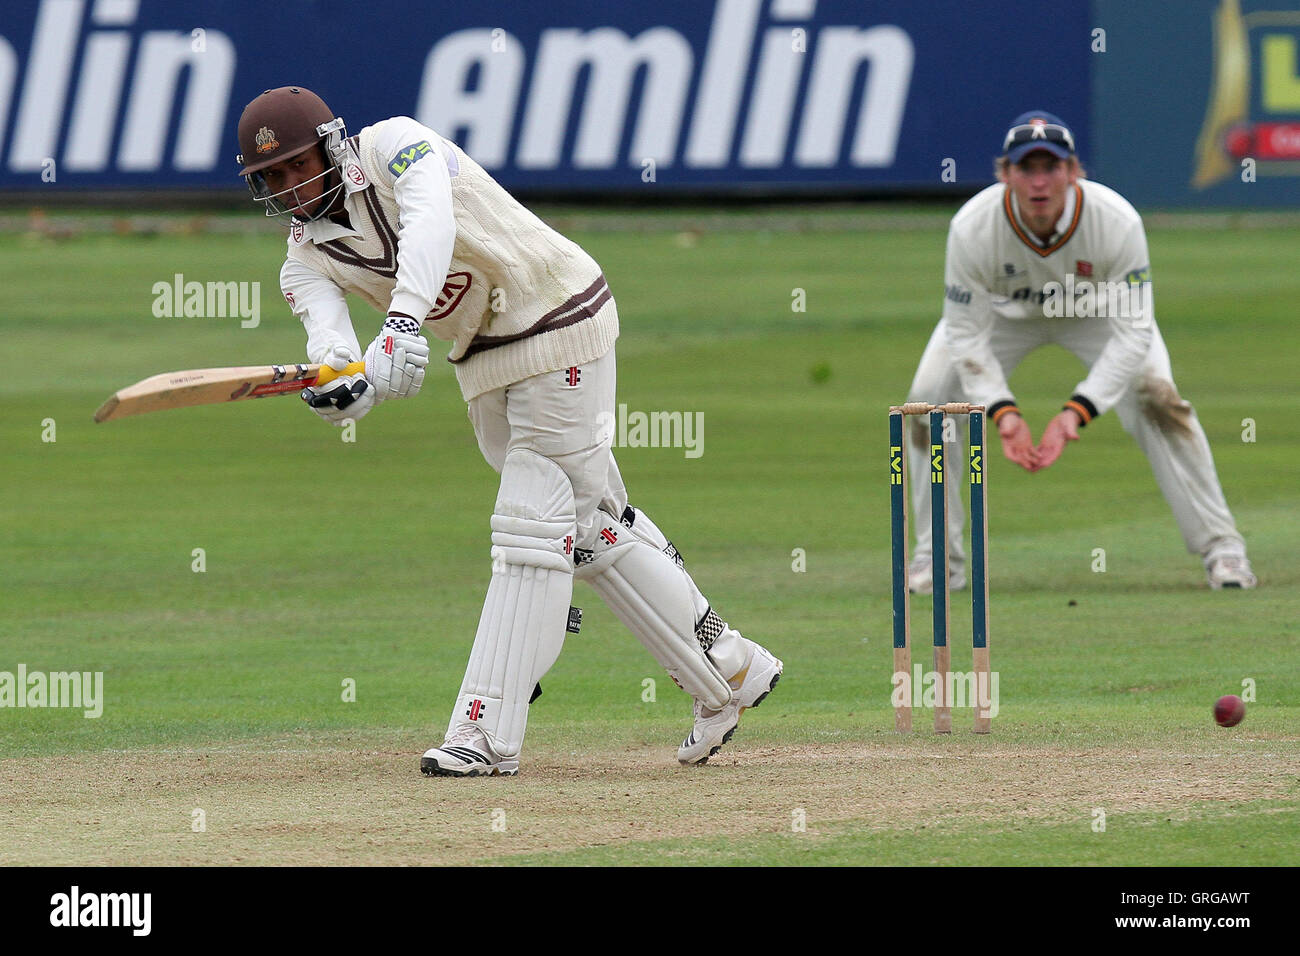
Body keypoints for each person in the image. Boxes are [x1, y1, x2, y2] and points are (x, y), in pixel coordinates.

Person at [234, 86, 782, 776]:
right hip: (484, 360)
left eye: (296, 164)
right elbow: (333, 343)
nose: (290, 186)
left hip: (557, 314)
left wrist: (402, 322)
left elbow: (431, 220)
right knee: (584, 526)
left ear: (331, 144)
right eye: (273, 178)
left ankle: (485, 732)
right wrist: (341, 388)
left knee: (535, 519)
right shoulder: (303, 258)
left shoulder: (395, 147)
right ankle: (728, 669)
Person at [904, 111, 1256, 592]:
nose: (1039, 182)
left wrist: (1076, 412)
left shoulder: (1117, 221)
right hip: (1004, 318)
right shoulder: (972, 227)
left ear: (1074, 172)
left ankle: (1223, 548)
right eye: (1027, 168)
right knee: (926, 404)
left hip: (1095, 312)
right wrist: (1004, 412)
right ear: (1005, 174)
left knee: (1158, 396)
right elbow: (964, 332)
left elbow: (1134, 332)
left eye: (1052, 167)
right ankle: (937, 558)